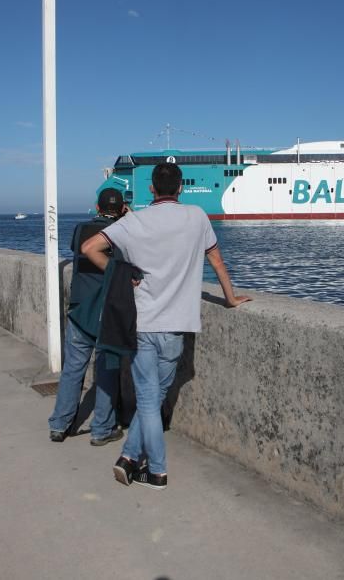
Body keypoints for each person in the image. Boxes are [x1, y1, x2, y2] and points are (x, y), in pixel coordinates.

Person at [82, 162, 250, 491]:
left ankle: (132, 458)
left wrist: (120, 274)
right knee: (154, 396)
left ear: (151, 188)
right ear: (181, 187)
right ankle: (153, 469)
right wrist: (230, 299)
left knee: (150, 397)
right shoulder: (197, 217)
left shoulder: (133, 221)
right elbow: (216, 261)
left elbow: (90, 248)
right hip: (177, 325)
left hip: (142, 324)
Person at [48, 189, 128, 445]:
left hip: (80, 310)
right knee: (107, 372)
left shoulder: (81, 229)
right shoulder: (123, 233)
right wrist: (127, 218)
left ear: (97, 206)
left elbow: (78, 249)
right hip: (108, 313)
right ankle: (102, 429)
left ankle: (60, 425)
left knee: (72, 369)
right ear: (122, 209)